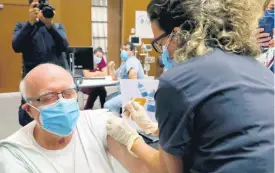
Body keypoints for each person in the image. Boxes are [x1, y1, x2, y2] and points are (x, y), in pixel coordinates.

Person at [106, 0, 274, 173]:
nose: (164, 52)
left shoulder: (177, 81)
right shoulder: (260, 71)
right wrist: (153, 128)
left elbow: (166, 170)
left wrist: (131, 140)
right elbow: (222, 134)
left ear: (178, 34)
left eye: (162, 44)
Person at [0, 63, 149, 173]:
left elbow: (148, 169)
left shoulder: (97, 122)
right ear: (29, 110)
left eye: (68, 93)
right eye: (49, 97)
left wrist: (154, 130)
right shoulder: (15, 153)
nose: (62, 103)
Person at [12, 0, 69, 127]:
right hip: (33, 80)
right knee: (29, 116)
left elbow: (64, 46)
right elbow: (16, 46)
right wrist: (30, 23)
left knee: (57, 114)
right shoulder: (22, 27)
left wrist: (50, 26)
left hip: (55, 80)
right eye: (36, 6)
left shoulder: (57, 27)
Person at [104, 42, 144, 115]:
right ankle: (119, 115)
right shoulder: (124, 63)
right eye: (122, 49)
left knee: (108, 105)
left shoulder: (131, 60)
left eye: (126, 49)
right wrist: (111, 67)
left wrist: (128, 94)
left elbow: (133, 74)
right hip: (124, 92)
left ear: (132, 51)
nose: (123, 51)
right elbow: (114, 77)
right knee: (108, 98)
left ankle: (117, 122)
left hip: (132, 94)